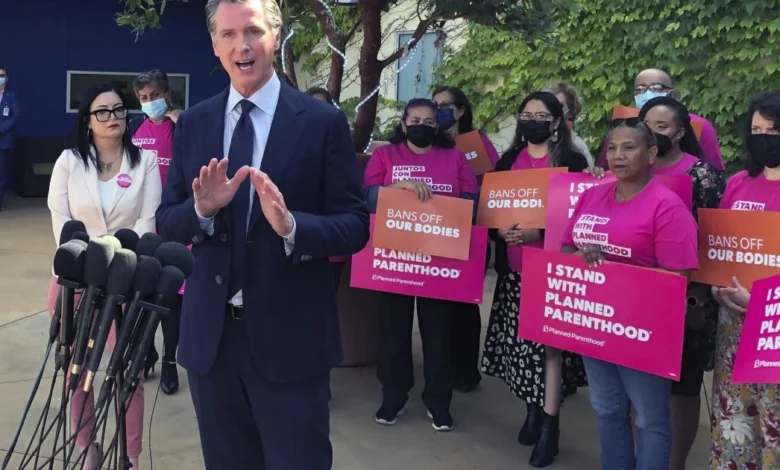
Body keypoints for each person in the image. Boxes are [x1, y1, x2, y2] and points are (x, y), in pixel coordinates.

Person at [154, 0, 369, 468]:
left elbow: (354, 225)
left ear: (275, 35)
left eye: (253, 31)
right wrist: (201, 210)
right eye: (228, 35)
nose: (242, 46)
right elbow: (166, 221)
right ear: (215, 45)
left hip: (291, 341)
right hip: (211, 343)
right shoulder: (194, 124)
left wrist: (293, 227)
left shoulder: (321, 123)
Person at [563, 118, 699, 469]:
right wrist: (578, 257)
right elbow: (565, 248)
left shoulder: (667, 206)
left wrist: (616, 273)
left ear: (651, 154)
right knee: (607, 409)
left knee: (650, 419)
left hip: (643, 328)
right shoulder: (592, 195)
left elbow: (677, 277)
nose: (618, 155)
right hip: (594, 321)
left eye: (629, 147)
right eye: (611, 148)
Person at [47, 83, 162, 470]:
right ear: (87, 120)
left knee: (127, 371)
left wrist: (119, 265)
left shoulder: (145, 162)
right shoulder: (69, 162)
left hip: (127, 279)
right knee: (77, 370)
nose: (112, 117)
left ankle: (130, 455)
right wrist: (83, 262)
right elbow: (62, 220)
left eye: (118, 110)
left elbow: (147, 222)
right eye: (102, 111)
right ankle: (87, 447)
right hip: (77, 279)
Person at [480, 91, 588, 468]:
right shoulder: (508, 161)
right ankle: (532, 410)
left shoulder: (572, 162)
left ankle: (549, 426)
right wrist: (501, 233)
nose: (532, 122)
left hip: (554, 272)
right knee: (522, 348)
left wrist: (536, 233)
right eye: (526, 115)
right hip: (515, 271)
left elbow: (579, 216)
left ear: (557, 121)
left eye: (541, 116)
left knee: (550, 351)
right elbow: (492, 214)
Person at [363, 97, 478, 431]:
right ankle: (394, 394)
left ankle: (438, 400)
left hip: (439, 260)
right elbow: (367, 198)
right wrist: (397, 188)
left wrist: (442, 206)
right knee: (393, 332)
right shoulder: (385, 156)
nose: (421, 127)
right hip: (394, 259)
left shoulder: (454, 157)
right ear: (403, 124)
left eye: (429, 122)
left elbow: (471, 201)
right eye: (415, 121)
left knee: (438, 334)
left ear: (438, 125)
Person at [638, 96, 725, 470]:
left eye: (662, 126)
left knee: (682, 389)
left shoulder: (702, 176)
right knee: (639, 388)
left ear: (679, 132)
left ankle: (674, 463)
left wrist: (697, 296)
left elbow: (715, 242)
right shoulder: (628, 169)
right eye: (647, 125)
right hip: (635, 298)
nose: (653, 133)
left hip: (688, 301)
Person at [710, 91, 780, 469]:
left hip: (774, 327)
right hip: (733, 324)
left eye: (773, 131)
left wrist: (760, 303)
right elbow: (722, 246)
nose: (763, 138)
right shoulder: (738, 182)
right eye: (757, 130)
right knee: (734, 415)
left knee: (773, 419)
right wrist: (717, 285)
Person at [432, 85, 499, 393]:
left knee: (465, 304)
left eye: (444, 105)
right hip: (438, 232)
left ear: (460, 111)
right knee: (439, 305)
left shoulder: (477, 143)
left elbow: (496, 184)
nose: (438, 110)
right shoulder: (432, 143)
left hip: (472, 232)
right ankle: (441, 367)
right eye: (434, 104)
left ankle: (466, 371)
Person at [129, 69, 182, 395]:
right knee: (142, 293)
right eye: (144, 98)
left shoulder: (180, 127)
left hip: (173, 225)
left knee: (170, 298)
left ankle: (170, 361)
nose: (150, 102)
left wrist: (183, 122)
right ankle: (146, 350)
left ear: (168, 95)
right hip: (142, 226)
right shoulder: (134, 128)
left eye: (155, 96)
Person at [596, 68, 725, 172]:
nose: (647, 93)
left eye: (656, 88)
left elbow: (713, 169)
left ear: (671, 94)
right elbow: (606, 168)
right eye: (640, 89)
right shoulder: (625, 125)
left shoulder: (700, 125)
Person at [543, 82, 594, 167]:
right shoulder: (531, 140)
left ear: (570, 112)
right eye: (548, 104)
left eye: (559, 105)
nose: (552, 109)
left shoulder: (577, 146)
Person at [0, 65, 20, 211]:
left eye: (2, 75)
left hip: (3, 141)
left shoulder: (11, 96)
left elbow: (16, 116)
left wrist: (1, 129)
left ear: (6, 78)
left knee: (1, 173)